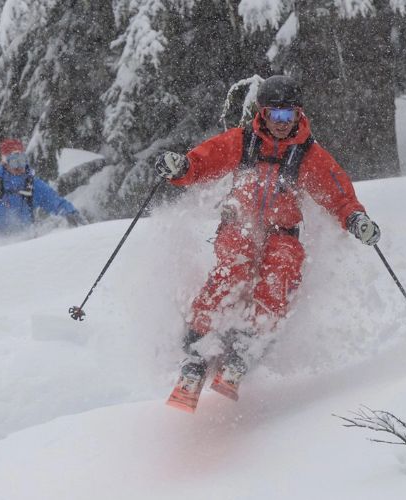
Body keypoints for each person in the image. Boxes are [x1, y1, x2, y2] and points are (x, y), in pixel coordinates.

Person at [155, 75, 382, 411]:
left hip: (282, 232)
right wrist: (180, 168)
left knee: (281, 272)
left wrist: (355, 219)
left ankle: (245, 348)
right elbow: (203, 162)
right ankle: (196, 350)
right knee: (233, 268)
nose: (280, 124)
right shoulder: (242, 142)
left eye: (287, 116)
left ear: (298, 115)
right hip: (240, 224)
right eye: (274, 116)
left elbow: (338, 195)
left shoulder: (309, 155)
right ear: (262, 113)